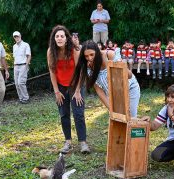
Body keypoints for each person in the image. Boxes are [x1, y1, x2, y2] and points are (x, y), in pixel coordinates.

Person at [47, 25, 90, 154]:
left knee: (78, 113)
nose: (59, 38)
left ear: (67, 38)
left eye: (62, 36)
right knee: (64, 114)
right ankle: (68, 142)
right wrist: (56, 91)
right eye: (57, 36)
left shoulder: (75, 50)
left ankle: (83, 143)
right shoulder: (50, 52)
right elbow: (52, 72)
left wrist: (77, 91)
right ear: (54, 39)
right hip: (60, 86)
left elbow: (81, 71)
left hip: (76, 84)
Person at [71, 40, 141, 117]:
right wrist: (111, 109)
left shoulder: (109, 55)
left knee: (130, 118)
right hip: (113, 95)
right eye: (86, 56)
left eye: (92, 54)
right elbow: (99, 90)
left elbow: (129, 75)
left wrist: (109, 64)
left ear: (97, 52)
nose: (90, 58)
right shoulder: (88, 66)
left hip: (130, 89)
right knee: (118, 119)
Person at [12, 31, 31, 104]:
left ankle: (26, 98)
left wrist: (26, 65)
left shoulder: (26, 45)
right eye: (15, 37)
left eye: (17, 36)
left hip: (23, 65)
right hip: (16, 66)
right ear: (14, 38)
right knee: (16, 83)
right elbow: (15, 57)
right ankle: (21, 98)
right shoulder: (14, 46)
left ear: (20, 36)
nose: (17, 38)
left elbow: (29, 56)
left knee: (21, 82)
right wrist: (14, 66)